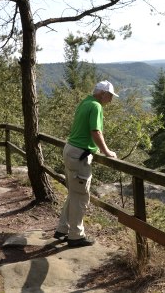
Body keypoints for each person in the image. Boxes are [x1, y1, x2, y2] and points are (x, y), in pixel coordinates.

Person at [54, 80, 118, 247]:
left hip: (71, 151)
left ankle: (62, 229)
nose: (110, 100)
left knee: (74, 193)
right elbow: (95, 131)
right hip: (79, 155)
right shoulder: (96, 106)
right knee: (81, 196)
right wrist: (107, 152)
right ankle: (75, 236)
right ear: (103, 93)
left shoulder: (85, 102)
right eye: (110, 96)